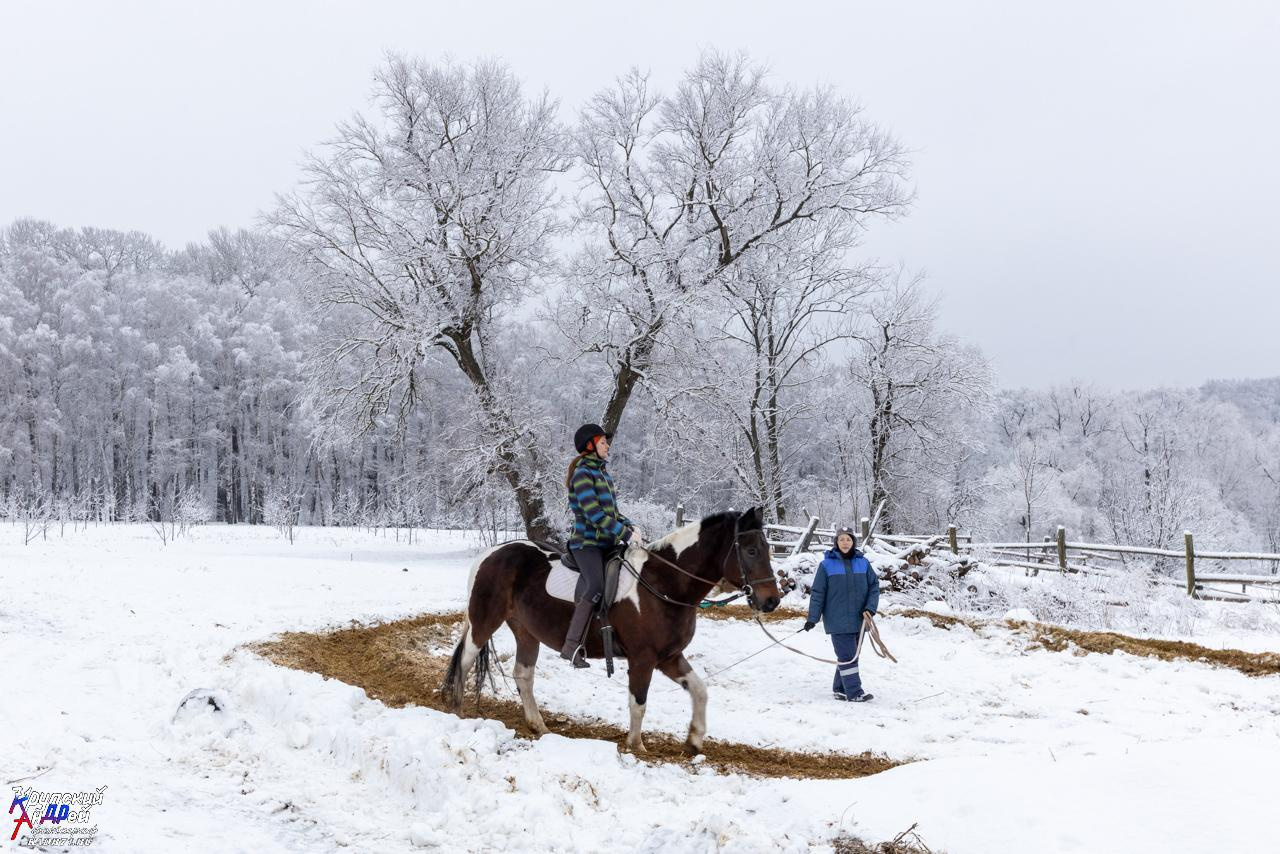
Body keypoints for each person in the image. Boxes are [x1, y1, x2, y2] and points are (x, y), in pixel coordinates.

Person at [561, 422, 642, 668]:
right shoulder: (583, 474)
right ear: (590, 446)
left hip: (606, 543)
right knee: (596, 584)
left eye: (606, 442)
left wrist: (631, 527)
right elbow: (594, 514)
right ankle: (571, 646)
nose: (607, 445)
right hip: (586, 544)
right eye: (603, 442)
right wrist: (623, 534)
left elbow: (612, 512)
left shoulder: (603, 473)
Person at [803, 525, 880, 701]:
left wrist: (870, 608)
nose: (845, 542)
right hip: (837, 620)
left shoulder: (863, 563)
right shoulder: (826, 565)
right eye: (841, 539)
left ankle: (840, 688)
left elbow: (874, 587)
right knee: (848, 657)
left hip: (860, 620)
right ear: (836, 542)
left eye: (848, 539)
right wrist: (812, 618)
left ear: (853, 542)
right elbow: (818, 593)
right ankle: (855, 693)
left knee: (849, 656)